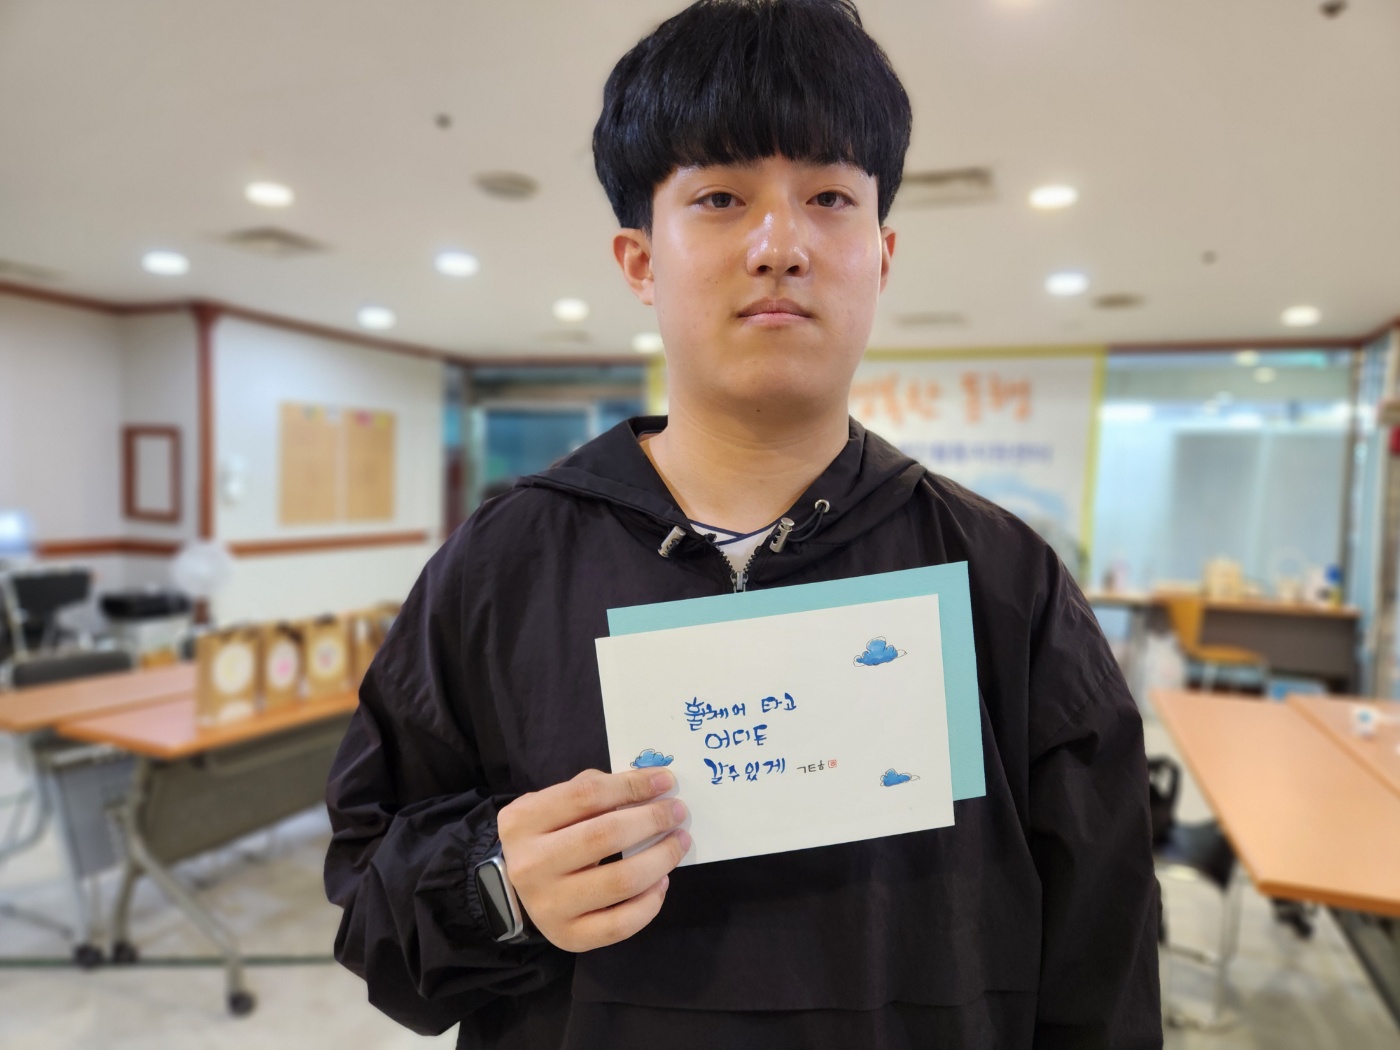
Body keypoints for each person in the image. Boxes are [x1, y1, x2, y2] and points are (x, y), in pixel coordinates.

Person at [323, 1, 1162, 1047]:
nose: (780, 245)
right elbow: (370, 905)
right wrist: (498, 886)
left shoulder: (1002, 580)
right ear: (640, 261)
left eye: (828, 197)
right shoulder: (501, 567)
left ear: (881, 255)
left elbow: (1103, 964)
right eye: (720, 197)